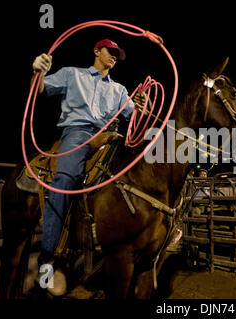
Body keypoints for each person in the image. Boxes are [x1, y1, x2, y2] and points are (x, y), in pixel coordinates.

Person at [31, 39, 145, 293]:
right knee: (64, 181)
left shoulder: (119, 89)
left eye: (117, 54)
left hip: (109, 135)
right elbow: (39, 90)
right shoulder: (73, 74)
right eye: (110, 52)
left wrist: (142, 108)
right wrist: (38, 72)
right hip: (78, 132)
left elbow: (134, 118)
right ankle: (48, 257)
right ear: (96, 51)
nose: (114, 57)